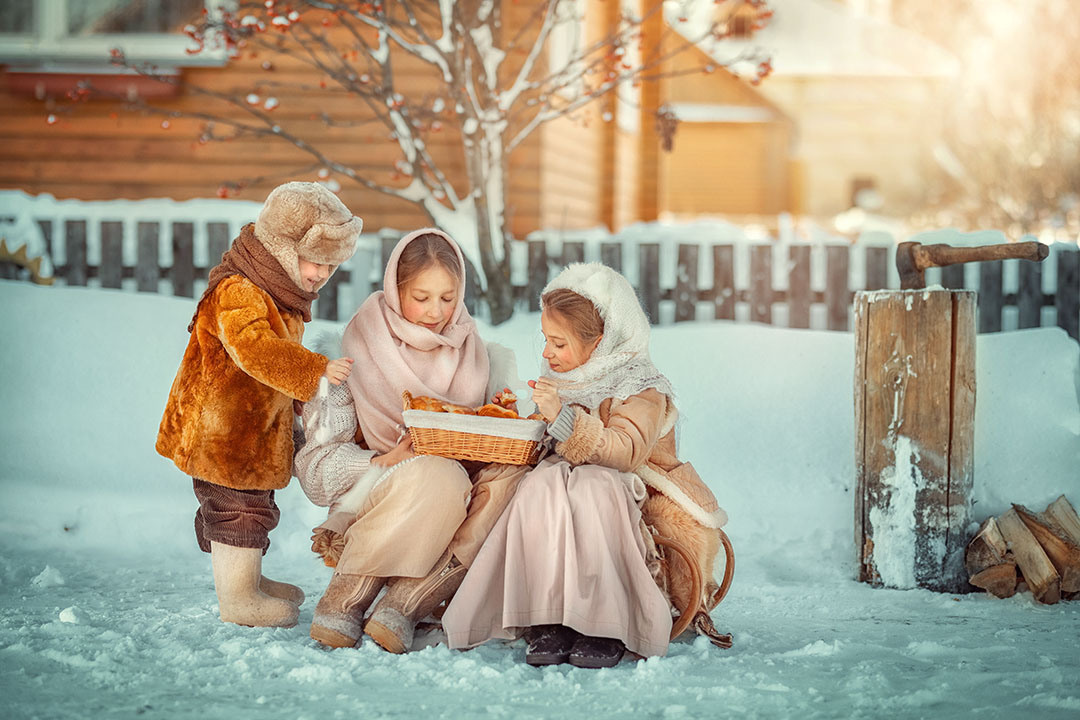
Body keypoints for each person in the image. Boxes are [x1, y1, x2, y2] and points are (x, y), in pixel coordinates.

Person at [442, 262, 729, 668]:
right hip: (567, 475)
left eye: (558, 344)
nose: (546, 353)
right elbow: (548, 439)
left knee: (595, 488)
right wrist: (521, 414)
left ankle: (604, 620)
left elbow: (626, 450)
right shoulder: (564, 375)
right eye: (545, 340)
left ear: (599, 342)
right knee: (541, 486)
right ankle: (547, 615)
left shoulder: (639, 385)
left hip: (630, 484)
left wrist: (562, 416)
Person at [296, 228, 528, 653]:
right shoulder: (351, 352)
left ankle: (406, 603)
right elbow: (314, 472)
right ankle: (348, 596)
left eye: (447, 297)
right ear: (393, 288)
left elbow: (501, 451)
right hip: (378, 497)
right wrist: (382, 460)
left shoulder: (480, 354)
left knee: (518, 479)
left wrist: (498, 417)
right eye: (420, 297)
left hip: (456, 502)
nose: (435, 312)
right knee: (436, 475)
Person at [156, 181, 362, 628]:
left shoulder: (278, 293)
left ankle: (250, 581)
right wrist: (314, 370)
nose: (323, 274)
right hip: (222, 433)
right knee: (235, 511)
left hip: (249, 432)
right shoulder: (239, 290)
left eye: (332, 266)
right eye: (316, 261)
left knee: (256, 505)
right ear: (283, 248)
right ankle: (238, 599)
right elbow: (254, 349)